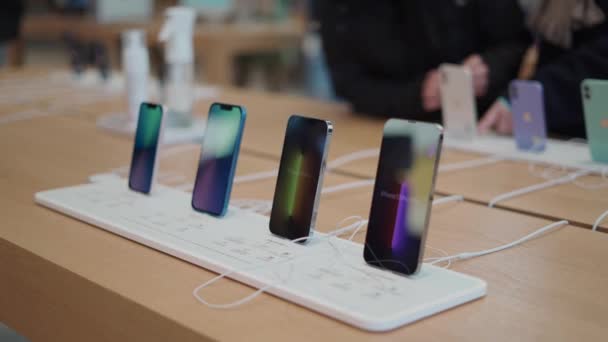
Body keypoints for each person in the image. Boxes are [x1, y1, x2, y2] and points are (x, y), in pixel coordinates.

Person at [316, 1, 529, 122]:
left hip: (483, 126)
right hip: (382, 127)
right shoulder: (342, 8)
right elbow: (347, 83)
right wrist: (416, 96)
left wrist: (489, 67)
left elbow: (519, 45)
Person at [479, 0, 608, 138]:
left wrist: (530, 98)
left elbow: (597, 63)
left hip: (591, 124)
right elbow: (534, 45)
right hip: (551, 126)